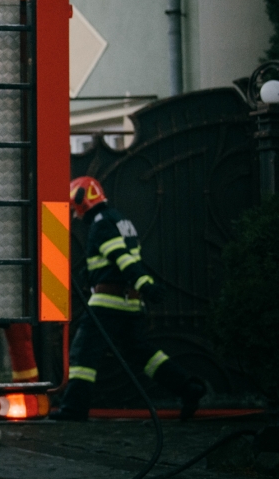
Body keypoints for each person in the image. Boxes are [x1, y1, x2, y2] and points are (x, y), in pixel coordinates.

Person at [54, 176, 206, 421]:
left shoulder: (101, 224)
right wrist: (93, 274)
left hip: (107, 304)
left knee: (83, 355)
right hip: (129, 303)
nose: (75, 215)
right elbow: (120, 258)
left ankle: (73, 410)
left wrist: (145, 284)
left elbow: (122, 258)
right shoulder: (121, 220)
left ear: (83, 200)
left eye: (75, 207)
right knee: (144, 354)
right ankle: (187, 388)